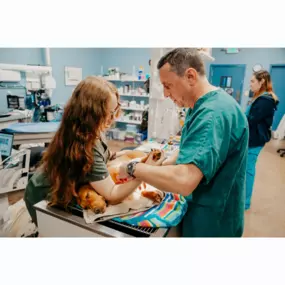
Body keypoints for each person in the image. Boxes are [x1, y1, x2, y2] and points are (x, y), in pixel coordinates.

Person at [118, 48, 249, 237]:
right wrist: (156, 164)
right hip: (207, 209)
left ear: (190, 76)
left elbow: (185, 180)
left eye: (168, 85)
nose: (164, 94)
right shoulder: (200, 105)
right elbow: (190, 149)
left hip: (212, 222)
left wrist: (133, 168)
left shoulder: (211, 115)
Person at [24, 76, 162, 226]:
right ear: (91, 114)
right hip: (41, 196)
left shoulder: (90, 129)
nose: (112, 119)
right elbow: (112, 195)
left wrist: (132, 156)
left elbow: (105, 158)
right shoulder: (87, 144)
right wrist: (142, 174)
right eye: (108, 113)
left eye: (114, 111)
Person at [245, 70, 279, 210]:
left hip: (255, 140)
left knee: (248, 170)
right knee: (247, 168)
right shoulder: (260, 98)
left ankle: (245, 202)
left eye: (253, 81)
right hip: (253, 138)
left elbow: (251, 120)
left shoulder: (265, 100)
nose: (250, 84)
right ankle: (243, 198)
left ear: (262, 82)